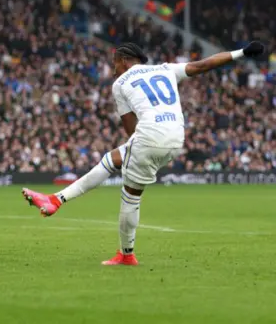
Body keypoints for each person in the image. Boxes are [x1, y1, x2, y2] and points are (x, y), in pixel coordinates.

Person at [22, 41, 266, 265]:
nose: (114, 69)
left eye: (115, 63)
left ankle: (126, 254)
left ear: (125, 60)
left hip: (149, 136)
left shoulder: (120, 83)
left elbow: (130, 130)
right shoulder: (166, 69)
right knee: (112, 159)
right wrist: (242, 52)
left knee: (130, 195)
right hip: (176, 136)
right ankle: (56, 199)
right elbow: (204, 65)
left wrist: (139, 145)